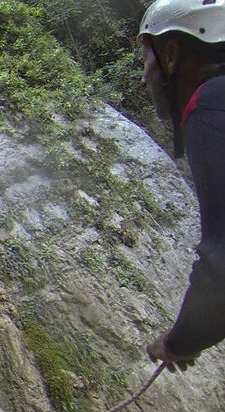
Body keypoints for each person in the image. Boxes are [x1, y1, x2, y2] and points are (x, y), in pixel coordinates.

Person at [138, 0, 225, 373]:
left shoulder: (210, 107)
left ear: (171, 53)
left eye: (147, 59)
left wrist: (179, 341)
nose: (145, 76)